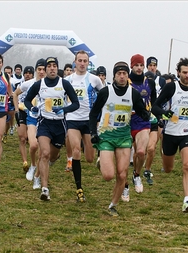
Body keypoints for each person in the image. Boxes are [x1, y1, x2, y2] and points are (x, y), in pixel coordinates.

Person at [89, 61, 150, 216]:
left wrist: (146, 114)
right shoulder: (105, 92)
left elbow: (142, 111)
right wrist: (93, 133)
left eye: (124, 74)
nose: (122, 76)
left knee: (122, 174)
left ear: (127, 76)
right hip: (106, 136)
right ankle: (102, 161)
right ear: (114, 76)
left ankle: (113, 205)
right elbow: (93, 113)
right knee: (108, 176)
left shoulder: (133, 93)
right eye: (119, 74)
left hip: (123, 137)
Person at [151, 57, 188, 213]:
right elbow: (155, 107)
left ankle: (187, 200)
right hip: (169, 133)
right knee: (168, 168)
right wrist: (164, 113)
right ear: (178, 73)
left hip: (187, 134)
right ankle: (166, 160)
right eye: (184, 73)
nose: (187, 76)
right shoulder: (171, 88)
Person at [24, 56, 79, 201]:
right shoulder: (39, 84)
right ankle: (45, 188)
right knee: (45, 153)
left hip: (60, 125)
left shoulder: (65, 84)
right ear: (46, 69)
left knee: (52, 156)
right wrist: (33, 108)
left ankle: (38, 174)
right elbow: (27, 100)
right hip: (44, 123)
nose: (52, 68)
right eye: (49, 66)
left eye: (55, 65)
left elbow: (76, 104)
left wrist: (64, 109)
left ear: (57, 68)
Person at [64, 50, 104, 202]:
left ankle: (97, 156)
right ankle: (79, 188)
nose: (82, 63)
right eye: (79, 60)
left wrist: (100, 110)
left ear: (88, 63)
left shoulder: (94, 80)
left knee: (89, 158)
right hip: (73, 119)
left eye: (84, 61)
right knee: (75, 150)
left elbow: (104, 94)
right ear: (75, 62)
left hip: (88, 121)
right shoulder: (67, 80)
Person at [121, 54, 156, 202]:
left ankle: (136, 175)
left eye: (141, 65)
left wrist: (155, 115)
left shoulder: (150, 82)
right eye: (137, 65)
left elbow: (154, 100)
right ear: (132, 66)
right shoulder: (125, 81)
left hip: (143, 121)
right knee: (124, 157)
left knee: (141, 152)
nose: (139, 68)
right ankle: (124, 185)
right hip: (127, 121)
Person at [13, 58, 46, 181]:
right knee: (33, 145)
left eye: (43, 69)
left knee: (44, 151)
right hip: (30, 116)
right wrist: (17, 110)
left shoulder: (53, 84)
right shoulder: (29, 83)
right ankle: (31, 165)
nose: (41, 72)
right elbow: (15, 94)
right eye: (39, 69)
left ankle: (37, 172)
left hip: (45, 119)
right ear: (36, 70)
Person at [143, 56, 166, 185]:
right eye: (150, 65)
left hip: (156, 114)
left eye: (154, 65)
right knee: (140, 147)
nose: (152, 67)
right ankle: (136, 165)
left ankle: (150, 167)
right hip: (142, 115)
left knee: (154, 145)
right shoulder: (143, 79)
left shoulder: (161, 81)